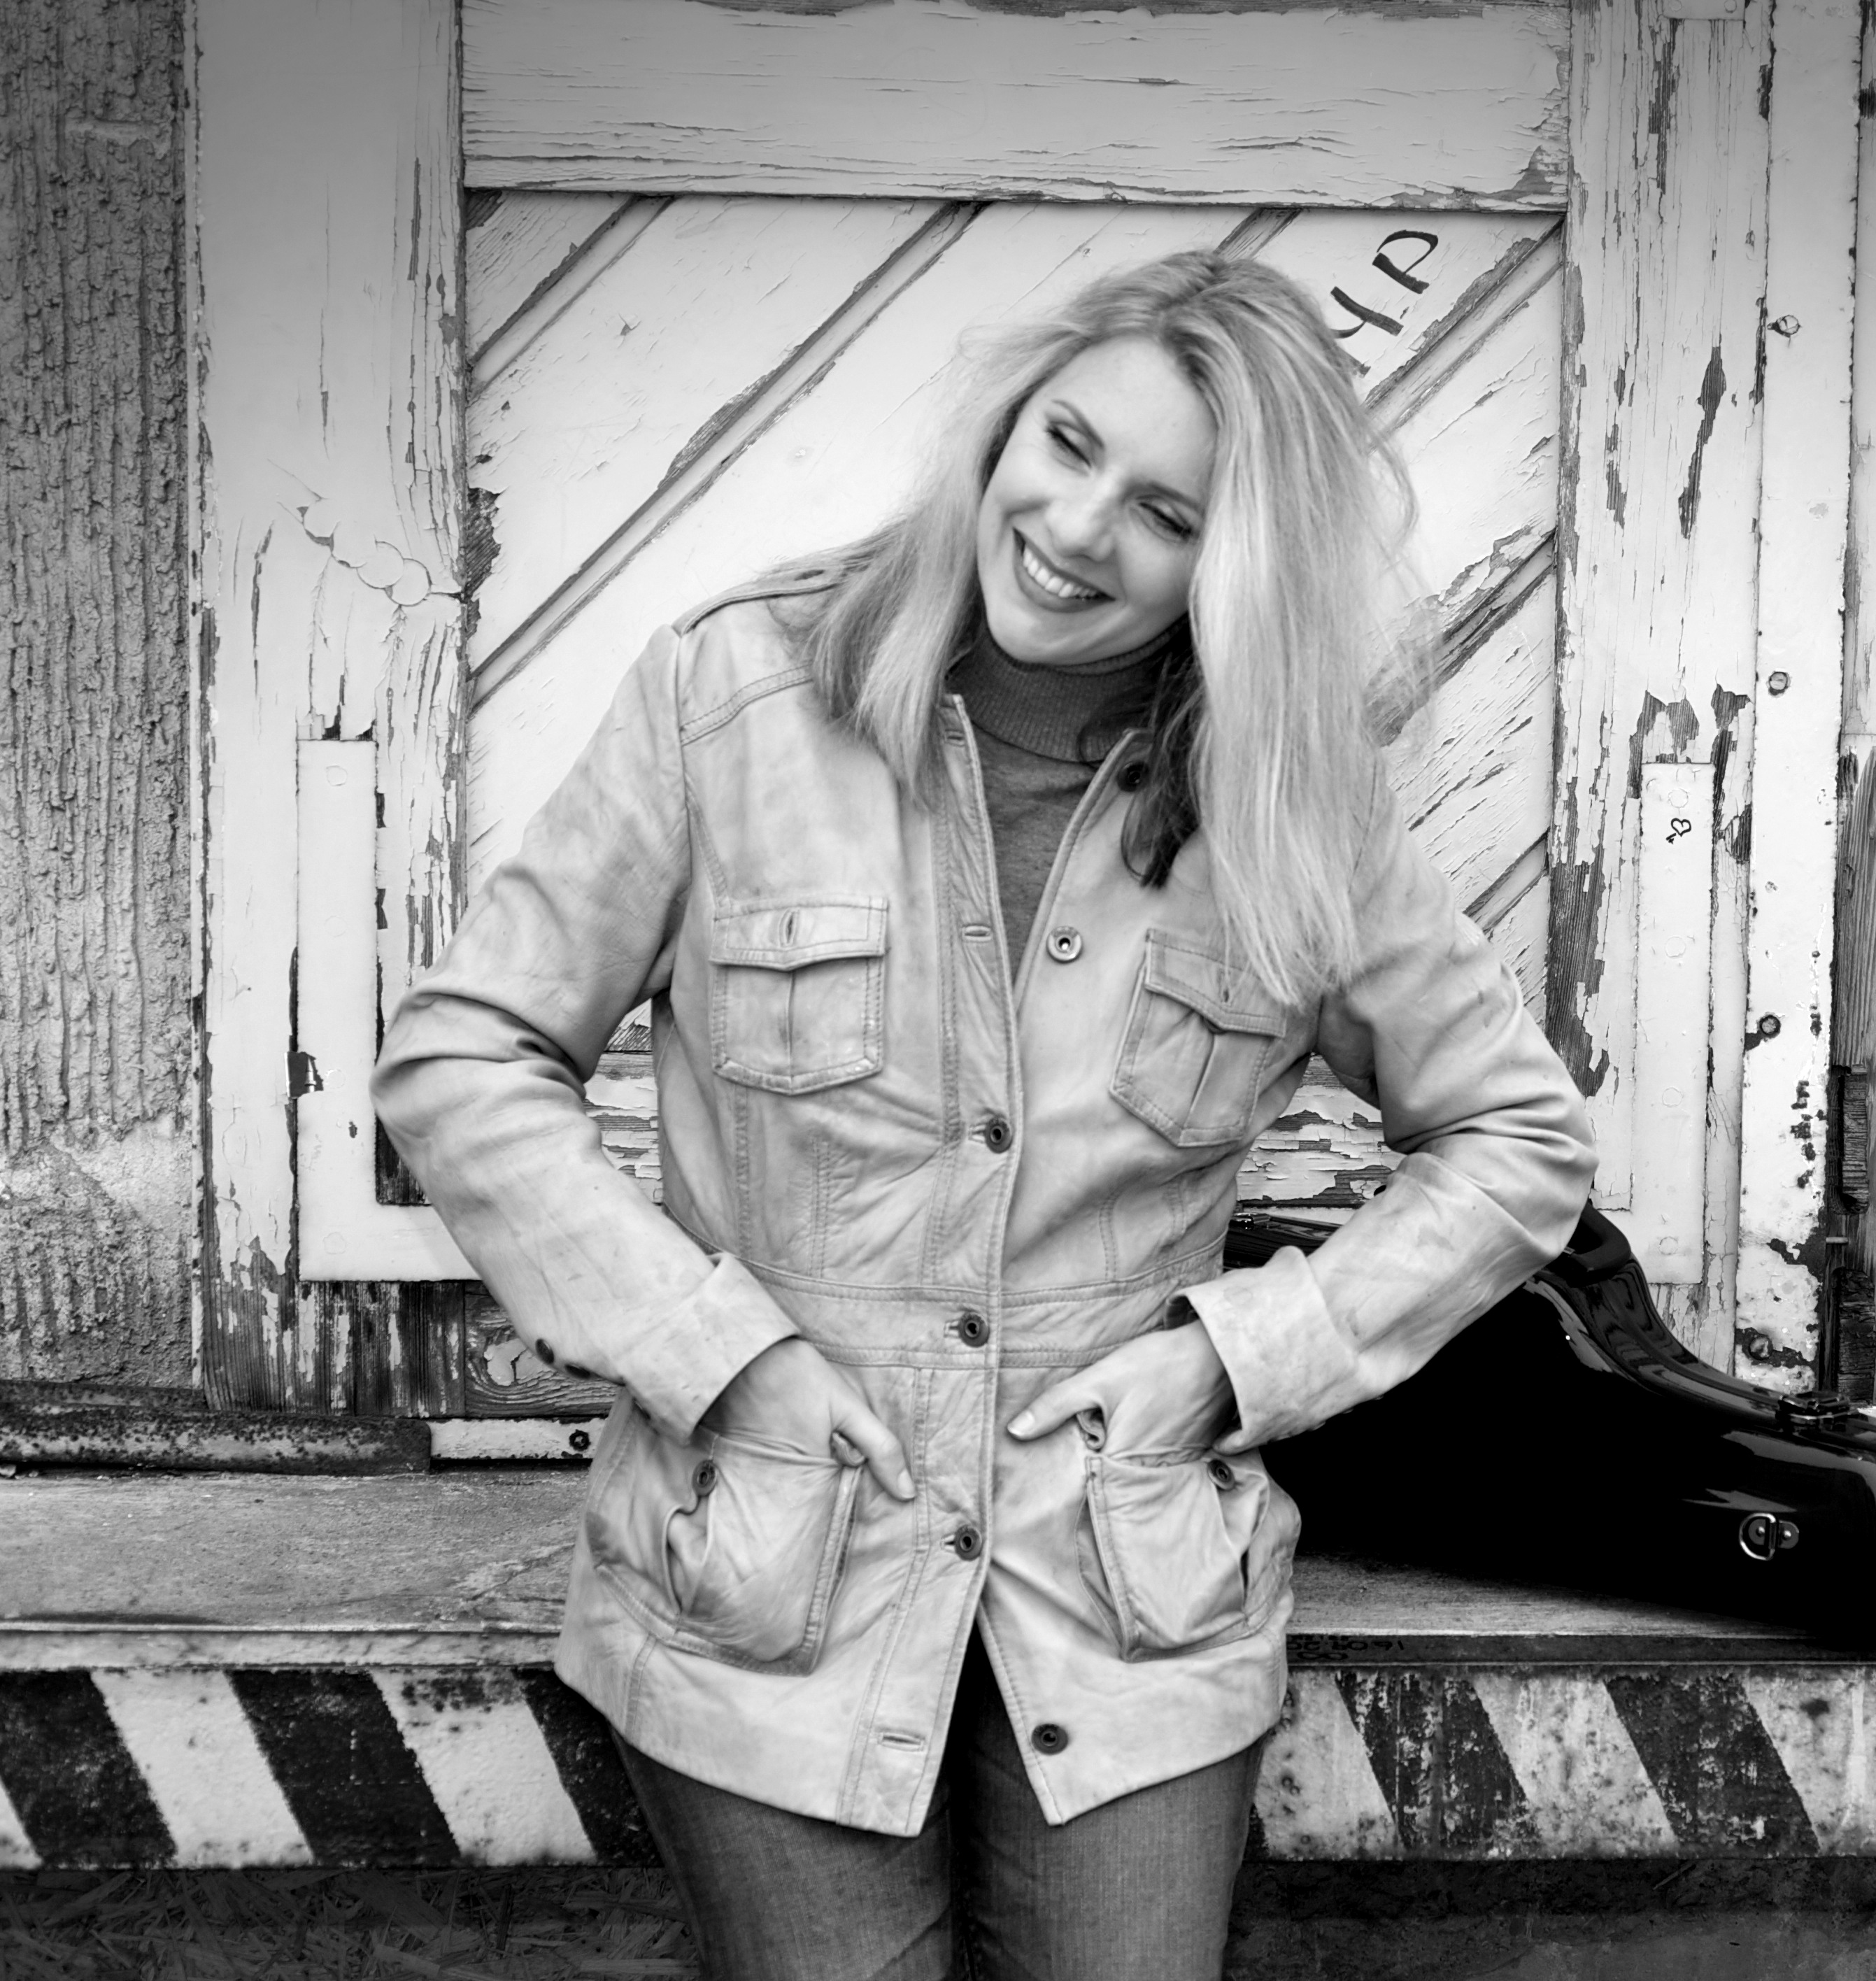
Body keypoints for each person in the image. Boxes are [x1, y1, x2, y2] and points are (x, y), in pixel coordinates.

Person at [372, 250, 1596, 1981]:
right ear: (1006, 421)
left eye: (1166, 514)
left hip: (1124, 1594)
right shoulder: (735, 693)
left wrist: (1237, 1361)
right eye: (1069, 443)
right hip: (768, 1572)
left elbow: (1516, 1140)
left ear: (1232, 565)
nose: (1078, 529)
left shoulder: (1285, 794)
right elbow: (467, 1054)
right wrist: (717, 1352)